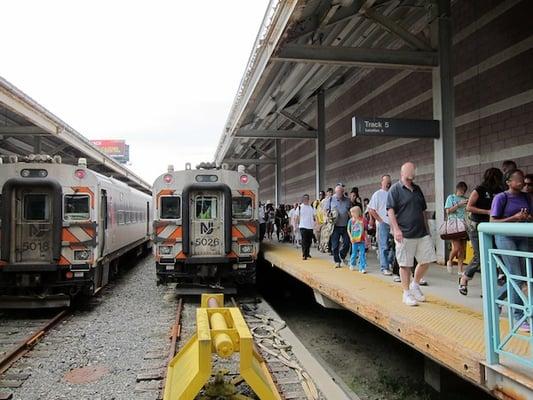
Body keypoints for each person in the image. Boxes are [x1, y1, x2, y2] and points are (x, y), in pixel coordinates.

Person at [387, 162, 436, 306]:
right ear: (403, 172)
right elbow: (390, 210)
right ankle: (406, 293)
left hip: (421, 232)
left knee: (426, 260)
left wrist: (427, 229)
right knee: (405, 264)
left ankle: (415, 285)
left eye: (414, 169)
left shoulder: (417, 189)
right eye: (410, 170)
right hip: (404, 233)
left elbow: (423, 211)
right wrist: (396, 229)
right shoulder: (395, 189)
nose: (413, 172)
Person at [490, 169, 532, 333]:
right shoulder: (501, 197)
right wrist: (513, 218)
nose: (521, 182)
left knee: (522, 275)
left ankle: (498, 299)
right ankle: (518, 316)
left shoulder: (526, 197)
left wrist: (526, 218)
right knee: (517, 275)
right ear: (508, 182)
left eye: (522, 179)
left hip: (522, 236)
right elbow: (493, 221)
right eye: (518, 179)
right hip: (505, 237)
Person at [459, 168, 503, 295]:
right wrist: (487, 212)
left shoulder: (500, 191)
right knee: (480, 257)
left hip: (492, 226)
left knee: (493, 255)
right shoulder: (479, 190)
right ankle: (464, 278)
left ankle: (491, 288)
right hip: (477, 226)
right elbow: (469, 207)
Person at [368, 174, 394, 276]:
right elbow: (371, 209)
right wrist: (380, 220)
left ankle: (390, 262)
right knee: (384, 246)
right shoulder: (377, 194)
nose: (388, 184)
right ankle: (384, 267)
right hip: (383, 224)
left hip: (393, 223)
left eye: (389, 182)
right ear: (381, 182)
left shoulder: (392, 193)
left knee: (395, 246)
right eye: (386, 182)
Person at [444, 182, 469, 275]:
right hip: (454, 225)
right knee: (457, 247)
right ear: (457, 189)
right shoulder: (451, 198)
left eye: (464, 191)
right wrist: (458, 204)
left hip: (464, 225)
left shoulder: (466, 199)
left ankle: (460, 269)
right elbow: (448, 211)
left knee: (462, 249)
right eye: (461, 190)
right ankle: (450, 260)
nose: (462, 192)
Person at [328, 184, 352, 267]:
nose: (339, 194)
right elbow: (327, 211)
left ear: (343, 192)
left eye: (340, 192)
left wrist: (353, 222)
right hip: (335, 226)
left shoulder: (348, 200)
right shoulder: (331, 199)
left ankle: (342, 255)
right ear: (335, 192)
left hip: (345, 225)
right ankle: (337, 261)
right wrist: (329, 216)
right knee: (335, 245)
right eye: (337, 192)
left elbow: (350, 212)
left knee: (347, 243)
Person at [347, 206, 368, 272]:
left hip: (361, 239)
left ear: (357, 212)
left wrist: (365, 238)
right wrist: (350, 237)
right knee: (354, 253)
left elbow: (364, 230)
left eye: (353, 212)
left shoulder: (362, 219)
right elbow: (348, 229)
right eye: (351, 212)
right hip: (354, 239)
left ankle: (362, 267)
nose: (351, 214)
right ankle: (352, 264)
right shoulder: (351, 220)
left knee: (362, 253)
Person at [297, 194, 316, 260]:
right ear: (302, 199)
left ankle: (307, 253)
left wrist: (316, 224)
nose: (306, 200)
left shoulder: (311, 207)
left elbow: (314, 216)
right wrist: (296, 225)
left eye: (307, 198)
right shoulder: (300, 207)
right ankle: (304, 254)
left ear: (308, 199)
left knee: (309, 241)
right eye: (304, 199)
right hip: (302, 226)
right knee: (304, 240)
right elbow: (296, 217)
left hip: (310, 227)